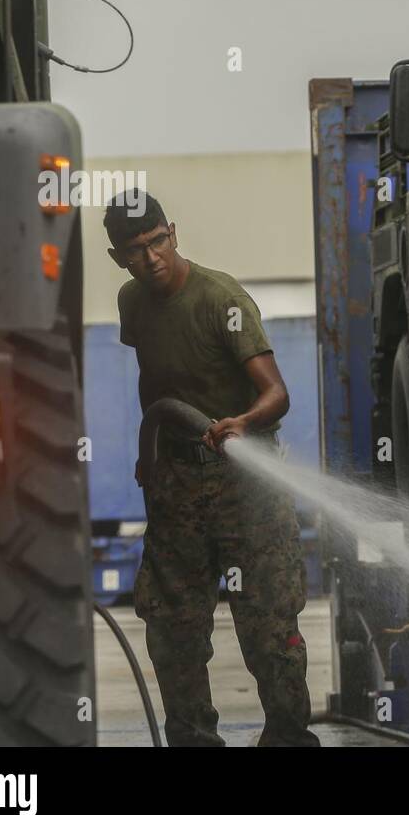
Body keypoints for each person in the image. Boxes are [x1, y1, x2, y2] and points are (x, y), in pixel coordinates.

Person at [104, 189, 319, 747]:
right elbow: (154, 382)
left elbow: (277, 393)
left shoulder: (222, 298)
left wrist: (245, 423)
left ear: (172, 232)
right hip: (176, 482)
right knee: (172, 625)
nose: (151, 258)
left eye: (158, 242)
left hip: (246, 482)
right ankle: (193, 741)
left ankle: (289, 739)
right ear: (118, 257)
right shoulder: (132, 303)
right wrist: (147, 449)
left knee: (269, 622)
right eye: (135, 250)